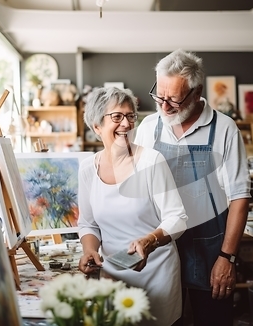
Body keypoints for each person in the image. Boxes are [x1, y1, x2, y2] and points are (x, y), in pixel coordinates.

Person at [134, 49, 251, 326]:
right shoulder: (148, 127)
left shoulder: (224, 129)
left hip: (210, 253)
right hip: (158, 251)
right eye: (159, 96)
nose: (163, 106)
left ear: (196, 92)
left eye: (173, 99)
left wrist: (227, 258)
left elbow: (239, 198)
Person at [77, 87, 188, 326]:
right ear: (97, 126)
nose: (126, 124)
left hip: (156, 276)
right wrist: (89, 250)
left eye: (130, 116)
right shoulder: (87, 168)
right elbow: (88, 223)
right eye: (117, 117)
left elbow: (177, 218)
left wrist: (149, 241)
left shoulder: (151, 161)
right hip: (111, 277)